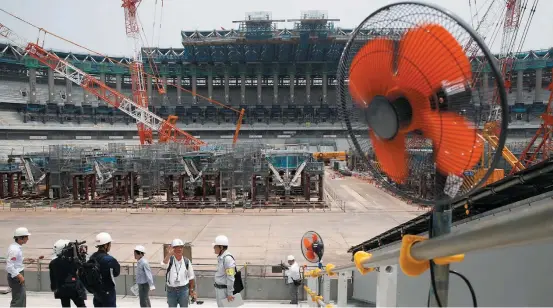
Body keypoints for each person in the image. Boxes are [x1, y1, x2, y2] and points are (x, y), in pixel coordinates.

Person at [49, 239, 87, 307]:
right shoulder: (72, 261)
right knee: (81, 305)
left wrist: (54, 288)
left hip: (61, 289)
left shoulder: (53, 263)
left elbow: (52, 278)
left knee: (65, 305)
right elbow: (81, 268)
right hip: (74, 289)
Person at [161, 239, 196, 308]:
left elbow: (191, 278)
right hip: (171, 291)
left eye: (181, 247)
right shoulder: (169, 260)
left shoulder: (186, 261)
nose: (179, 249)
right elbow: (163, 265)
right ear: (173, 249)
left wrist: (192, 291)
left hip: (183, 290)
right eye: (177, 248)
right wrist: (169, 254)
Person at [89, 232, 120, 307]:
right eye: (109, 244)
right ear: (106, 245)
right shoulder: (109, 259)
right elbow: (116, 272)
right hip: (107, 292)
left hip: (96, 292)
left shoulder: (92, 257)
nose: (110, 246)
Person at [6, 227, 31, 307]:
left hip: (16, 275)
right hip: (16, 276)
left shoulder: (16, 247)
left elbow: (16, 260)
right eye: (26, 237)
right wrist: (19, 276)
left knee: (21, 298)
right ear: (21, 238)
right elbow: (10, 266)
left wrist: (25, 259)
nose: (28, 239)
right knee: (18, 300)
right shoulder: (14, 250)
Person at [213, 235, 236, 307]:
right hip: (220, 290)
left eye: (216, 246)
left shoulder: (228, 259)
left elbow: (231, 277)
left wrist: (230, 293)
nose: (214, 248)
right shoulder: (221, 258)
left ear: (221, 247)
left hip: (224, 291)